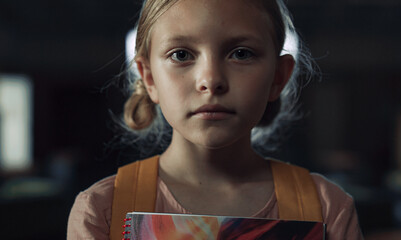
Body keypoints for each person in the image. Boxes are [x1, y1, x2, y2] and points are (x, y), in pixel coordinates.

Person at [67, 0, 364, 239]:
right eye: (181, 54)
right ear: (149, 78)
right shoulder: (102, 211)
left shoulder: (327, 209)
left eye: (241, 53)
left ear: (278, 76)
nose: (211, 80)